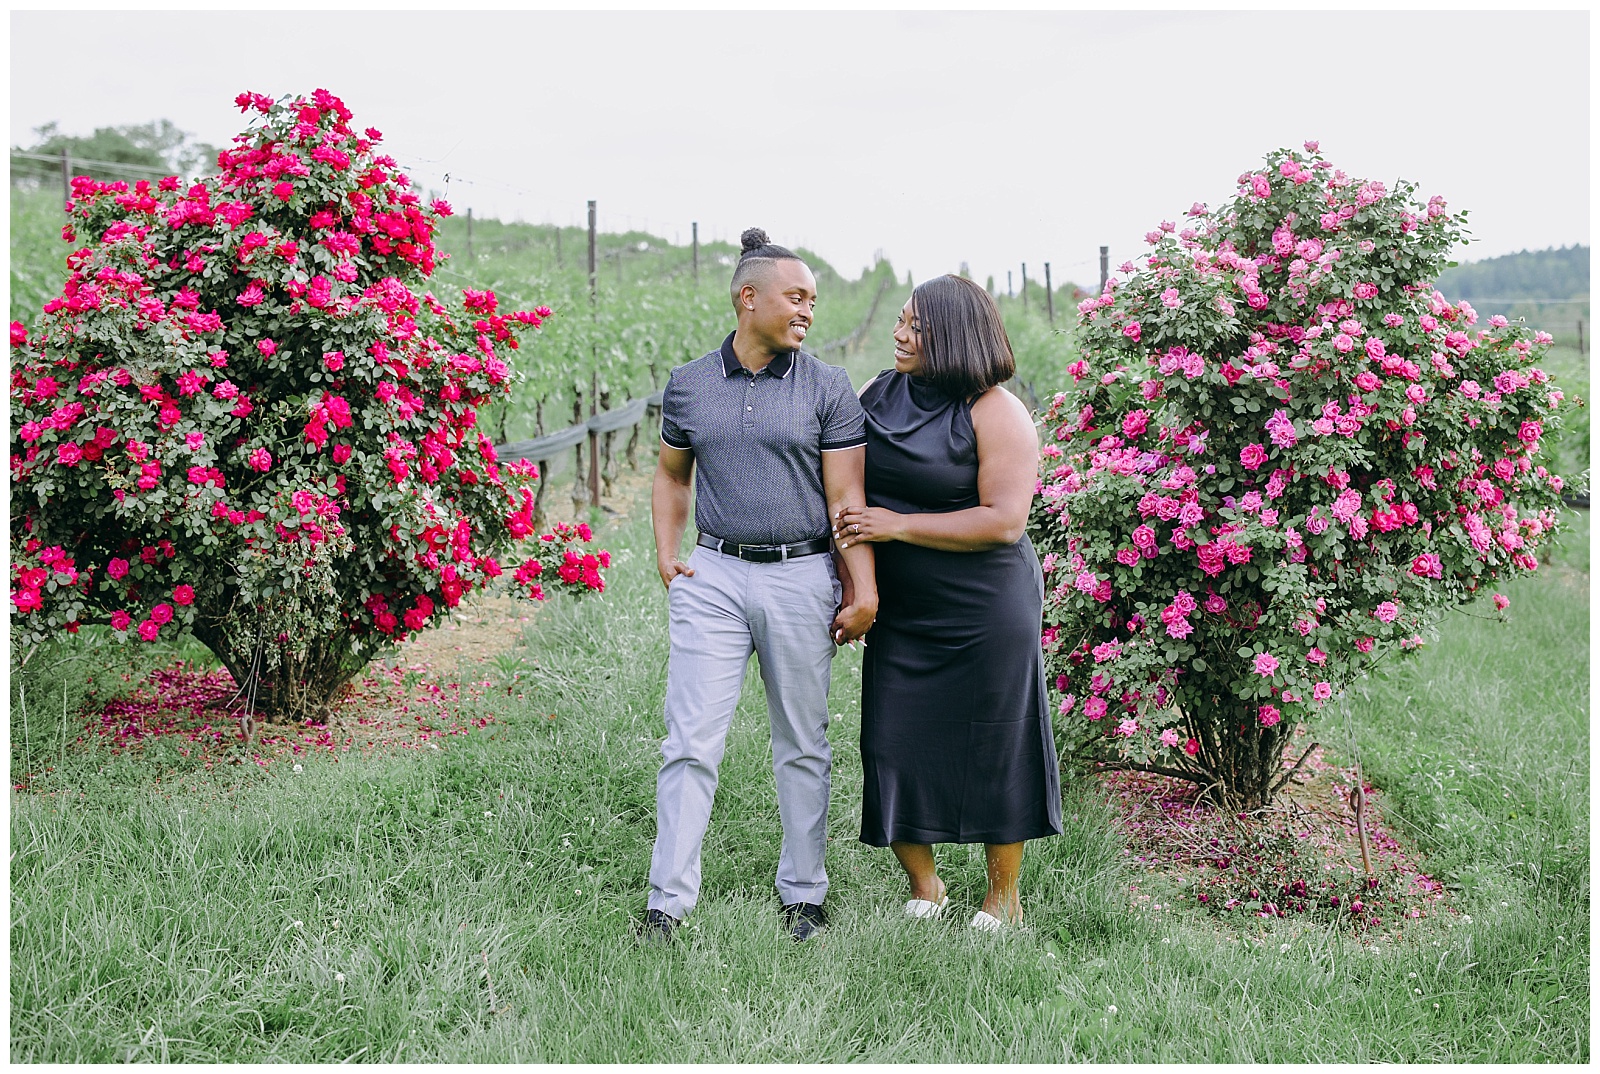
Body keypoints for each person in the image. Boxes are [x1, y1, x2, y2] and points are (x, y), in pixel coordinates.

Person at [639, 229, 878, 945]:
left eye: (813, 299)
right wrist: (668, 554)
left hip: (802, 576)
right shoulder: (689, 384)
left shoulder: (828, 387)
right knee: (690, 741)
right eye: (796, 296)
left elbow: (847, 501)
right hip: (713, 575)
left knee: (803, 742)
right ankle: (666, 903)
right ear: (749, 299)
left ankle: (804, 894)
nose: (808, 310)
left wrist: (858, 588)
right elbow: (672, 474)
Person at [833, 273, 1061, 931]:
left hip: (987, 606)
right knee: (891, 739)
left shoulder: (996, 411)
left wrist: (896, 525)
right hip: (906, 606)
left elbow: (1005, 521)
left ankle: (1002, 897)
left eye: (916, 325)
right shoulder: (876, 392)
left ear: (954, 336)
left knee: (996, 744)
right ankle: (926, 886)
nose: (900, 333)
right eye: (900, 320)